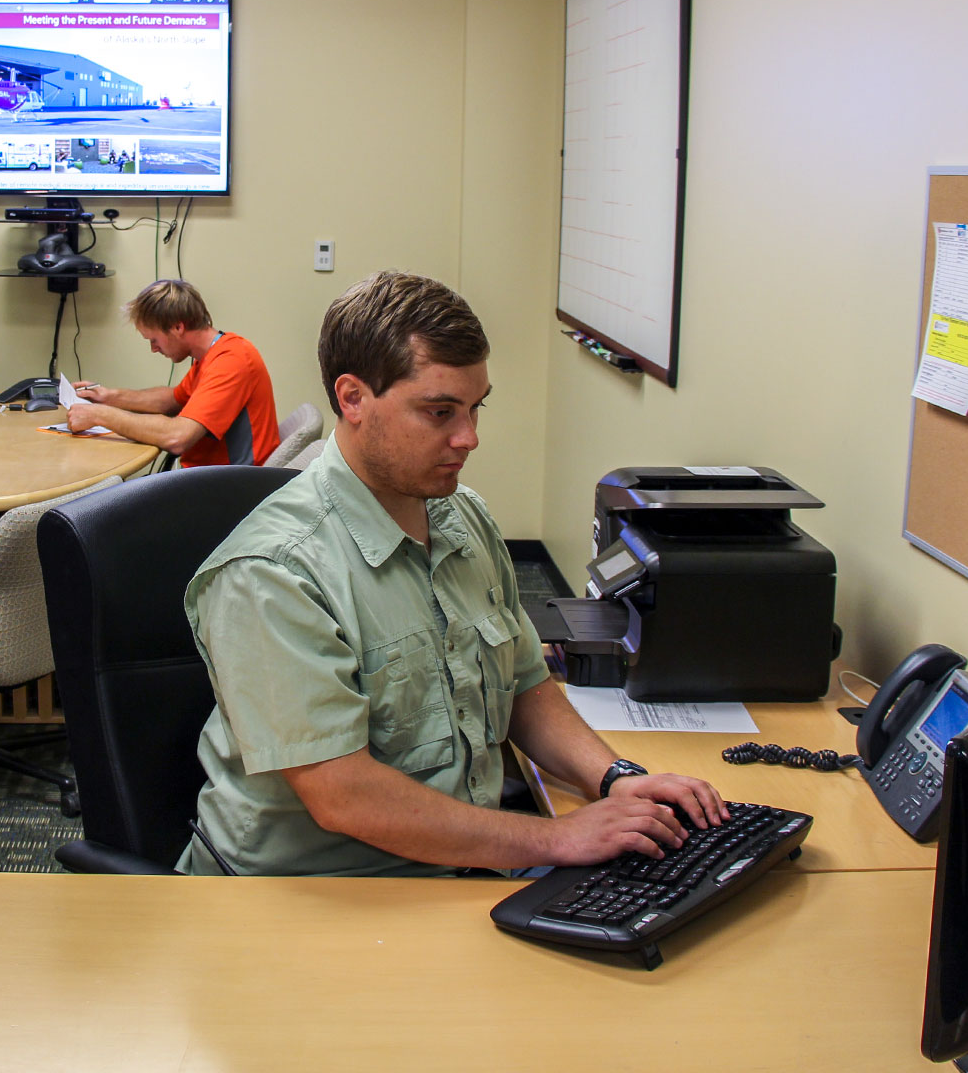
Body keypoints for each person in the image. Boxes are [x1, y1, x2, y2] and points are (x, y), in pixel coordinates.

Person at [178, 270, 726, 877]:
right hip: (314, 898)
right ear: (353, 399)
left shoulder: (463, 518)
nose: (469, 438)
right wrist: (556, 839)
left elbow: (525, 685)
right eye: (440, 412)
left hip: (462, 866)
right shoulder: (272, 572)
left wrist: (615, 779)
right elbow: (344, 795)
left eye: (473, 408)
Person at [68, 279, 280, 468]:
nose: (153, 348)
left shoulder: (232, 361)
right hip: (210, 478)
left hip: (233, 489)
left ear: (177, 327)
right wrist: (108, 397)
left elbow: (178, 437)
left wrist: (99, 415)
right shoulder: (212, 355)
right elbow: (171, 400)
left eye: (154, 339)